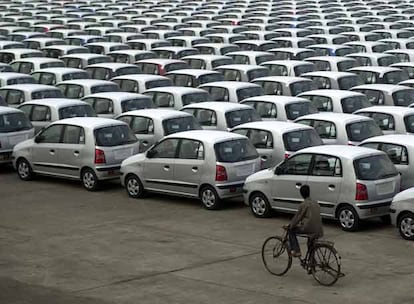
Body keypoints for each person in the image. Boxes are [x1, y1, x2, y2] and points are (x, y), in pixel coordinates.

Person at [285, 185, 324, 258]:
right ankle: (312, 263)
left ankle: (297, 251)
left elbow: (297, 218)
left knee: (291, 231)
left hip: (309, 228)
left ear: (301, 194)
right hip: (319, 229)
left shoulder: (303, 205)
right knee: (310, 244)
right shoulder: (316, 203)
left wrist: (290, 225)